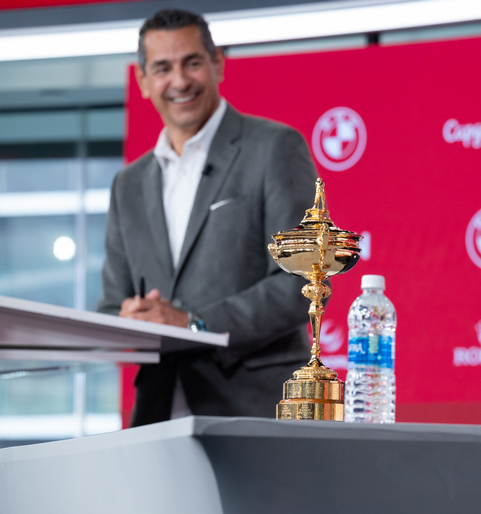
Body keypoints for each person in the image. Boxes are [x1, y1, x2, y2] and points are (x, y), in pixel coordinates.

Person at [97, 9, 317, 427]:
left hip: (257, 414)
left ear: (216, 63)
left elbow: (302, 282)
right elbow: (111, 307)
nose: (179, 81)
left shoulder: (274, 148)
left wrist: (194, 324)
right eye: (162, 68)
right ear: (143, 82)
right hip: (158, 419)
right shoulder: (128, 184)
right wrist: (128, 319)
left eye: (192, 62)